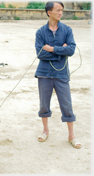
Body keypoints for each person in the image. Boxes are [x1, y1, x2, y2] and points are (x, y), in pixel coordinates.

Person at [35, 1, 81, 149]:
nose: (60, 13)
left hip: (61, 73)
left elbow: (72, 50)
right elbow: (40, 54)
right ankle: (45, 131)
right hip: (44, 73)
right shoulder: (40, 32)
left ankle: (71, 135)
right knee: (44, 105)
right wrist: (61, 50)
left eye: (62, 10)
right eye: (58, 10)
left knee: (67, 104)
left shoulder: (67, 30)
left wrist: (52, 49)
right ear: (49, 12)